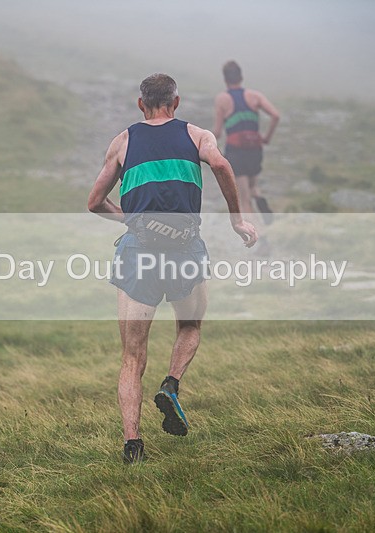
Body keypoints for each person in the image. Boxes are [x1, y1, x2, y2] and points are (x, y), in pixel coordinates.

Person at [88, 73, 257, 463]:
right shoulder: (197, 136)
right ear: (176, 103)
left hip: (138, 253)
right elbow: (223, 167)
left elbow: (95, 202)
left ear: (140, 104)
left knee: (132, 358)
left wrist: (130, 219)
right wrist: (237, 221)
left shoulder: (123, 141)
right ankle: (171, 383)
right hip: (184, 249)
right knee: (190, 327)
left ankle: (133, 446)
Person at [213, 60, 280, 223]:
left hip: (236, 151)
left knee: (244, 199)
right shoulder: (255, 96)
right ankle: (261, 199)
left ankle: (262, 239)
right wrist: (266, 138)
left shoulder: (222, 99)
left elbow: (218, 132)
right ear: (241, 77)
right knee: (252, 187)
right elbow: (275, 115)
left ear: (225, 79)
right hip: (255, 149)